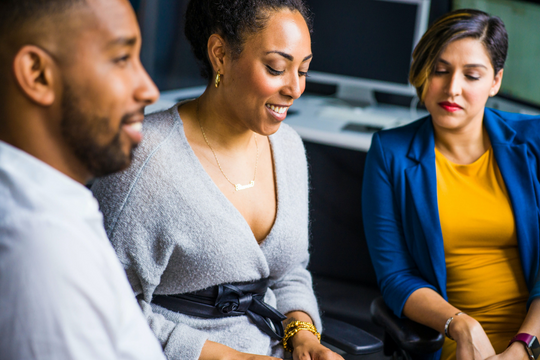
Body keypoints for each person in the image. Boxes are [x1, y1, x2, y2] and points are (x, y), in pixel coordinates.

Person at [91, 1, 342, 359]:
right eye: (276, 68)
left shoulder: (288, 148)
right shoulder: (145, 158)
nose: (295, 88)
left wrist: (304, 338)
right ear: (220, 54)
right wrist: (223, 356)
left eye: (303, 70)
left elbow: (289, 274)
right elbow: (105, 307)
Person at [362, 9, 540, 360]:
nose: (452, 88)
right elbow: (396, 277)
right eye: (440, 71)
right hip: (455, 344)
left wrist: (523, 348)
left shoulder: (534, 141)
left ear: (495, 81)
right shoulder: (389, 153)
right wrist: (461, 326)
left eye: (472, 75)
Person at [0, 0, 166, 359]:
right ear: (37, 74)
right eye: (122, 59)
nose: (149, 90)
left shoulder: (51, 208)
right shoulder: (42, 250)